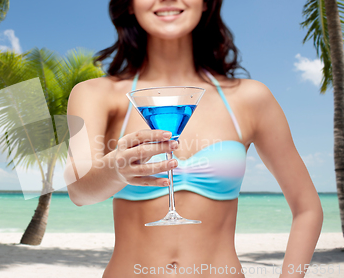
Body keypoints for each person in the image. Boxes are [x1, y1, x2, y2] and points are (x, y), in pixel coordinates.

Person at [64, 0, 324, 277]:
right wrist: (115, 170)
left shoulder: (251, 98)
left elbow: (307, 209)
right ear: (129, 5)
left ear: (206, 4)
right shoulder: (94, 94)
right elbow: (78, 192)